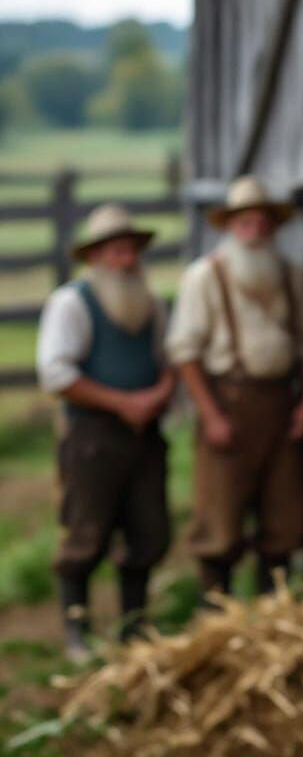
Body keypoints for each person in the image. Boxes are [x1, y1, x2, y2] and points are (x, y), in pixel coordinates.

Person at [36, 204, 175, 660]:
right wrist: (122, 403)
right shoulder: (72, 303)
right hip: (93, 437)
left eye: (131, 250)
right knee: (86, 532)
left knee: (148, 530)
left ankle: (133, 628)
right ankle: (77, 632)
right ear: (96, 257)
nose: (127, 260)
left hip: (144, 435)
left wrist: (158, 395)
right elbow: (56, 374)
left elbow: (167, 359)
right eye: (117, 251)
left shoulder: (151, 304)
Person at [166, 175, 303, 596]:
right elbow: (185, 352)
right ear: (230, 226)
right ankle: (217, 612)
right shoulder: (204, 277)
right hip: (228, 401)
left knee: (283, 512)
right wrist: (210, 415)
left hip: (280, 403)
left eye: (263, 222)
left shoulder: (293, 276)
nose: (255, 231)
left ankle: (272, 611)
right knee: (220, 513)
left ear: (274, 226)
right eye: (246, 222)